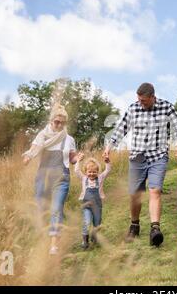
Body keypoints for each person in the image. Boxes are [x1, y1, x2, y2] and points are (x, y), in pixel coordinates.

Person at [103, 82, 177, 247]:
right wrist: (108, 148)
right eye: (139, 100)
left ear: (153, 97)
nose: (141, 103)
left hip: (158, 156)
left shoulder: (166, 107)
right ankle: (134, 225)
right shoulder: (133, 109)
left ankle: (155, 229)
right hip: (137, 158)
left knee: (155, 191)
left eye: (144, 101)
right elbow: (120, 129)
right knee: (135, 194)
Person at [22, 105, 77, 255]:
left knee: (56, 208)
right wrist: (28, 157)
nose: (58, 125)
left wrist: (78, 158)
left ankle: (54, 245)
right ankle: (42, 237)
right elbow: (33, 149)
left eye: (62, 123)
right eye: (56, 122)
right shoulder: (42, 136)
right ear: (51, 120)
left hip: (62, 176)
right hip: (43, 176)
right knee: (41, 207)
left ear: (65, 123)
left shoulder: (69, 139)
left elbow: (72, 158)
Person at [74, 152, 111, 250]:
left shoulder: (100, 178)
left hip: (97, 206)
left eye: (94, 171)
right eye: (89, 171)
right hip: (86, 205)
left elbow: (107, 170)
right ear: (86, 172)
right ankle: (85, 241)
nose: (92, 174)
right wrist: (78, 161)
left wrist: (107, 162)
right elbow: (77, 171)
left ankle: (94, 237)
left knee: (97, 223)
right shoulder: (84, 178)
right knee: (86, 222)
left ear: (97, 172)